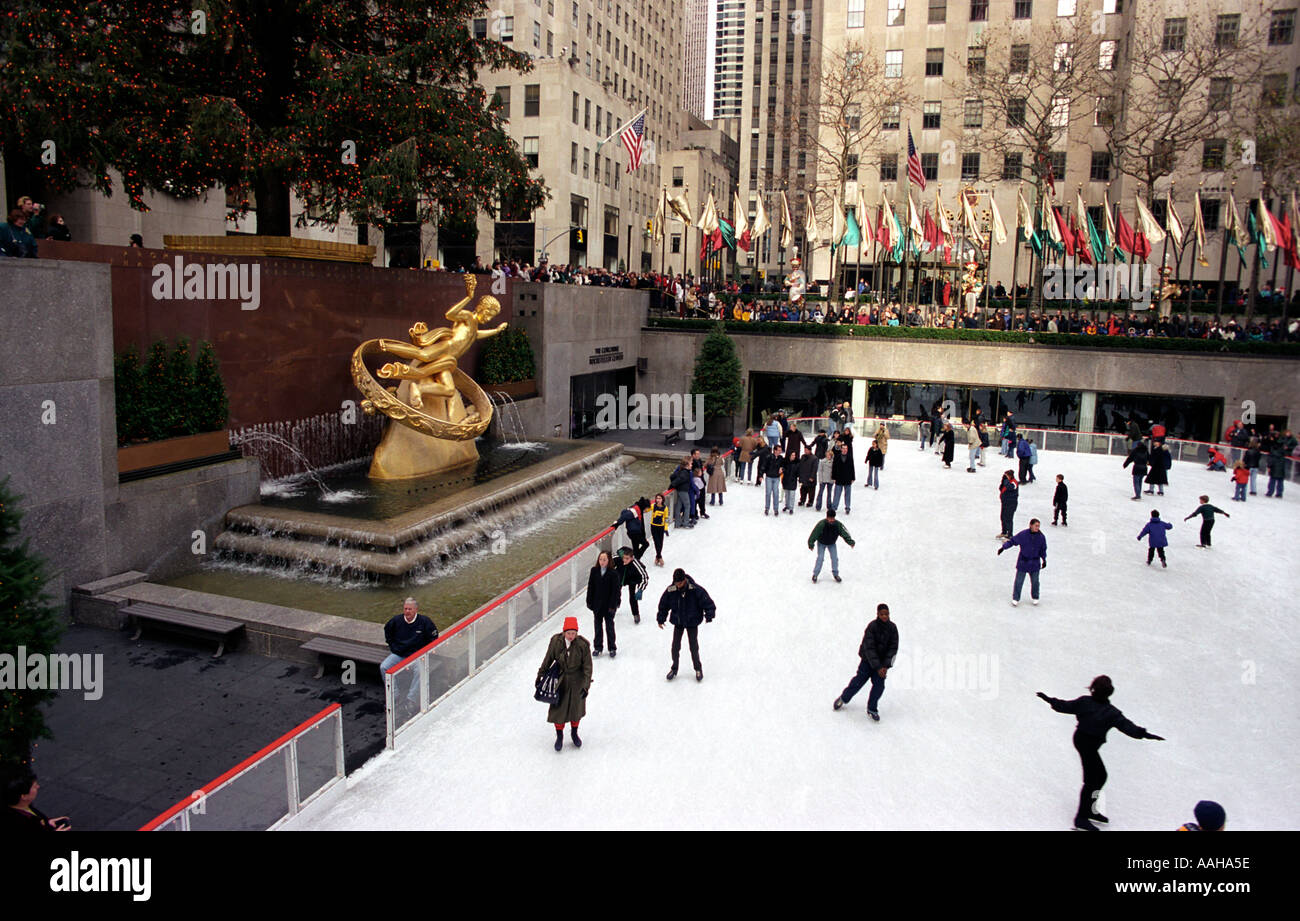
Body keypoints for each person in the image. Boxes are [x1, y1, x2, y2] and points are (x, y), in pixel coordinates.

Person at [1036, 675, 1164, 831]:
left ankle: (1089, 810)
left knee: (1100, 777)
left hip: (1081, 740)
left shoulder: (1086, 703)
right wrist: (1144, 734)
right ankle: (1081, 818)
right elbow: (1128, 727)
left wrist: (1050, 700)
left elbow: (1065, 706)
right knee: (1092, 780)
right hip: (1087, 745)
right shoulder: (1111, 712)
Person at [832, 603, 898, 721]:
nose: (884, 616)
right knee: (858, 682)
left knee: (879, 686)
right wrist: (878, 666)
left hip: (881, 666)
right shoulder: (872, 627)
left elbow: (893, 649)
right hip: (868, 662)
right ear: (877, 614)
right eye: (882, 614)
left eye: (886, 614)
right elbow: (869, 648)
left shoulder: (892, 628)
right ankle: (844, 698)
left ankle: (872, 708)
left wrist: (886, 666)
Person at [537, 616, 592, 751]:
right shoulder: (556, 642)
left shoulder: (582, 645)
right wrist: (540, 675)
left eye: (573, 633)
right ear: (564, 632)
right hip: (560, 681)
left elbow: (587, 667)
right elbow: (548, 659)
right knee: (558, 710)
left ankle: (574, 732)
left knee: (576, 709)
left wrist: (585, 686)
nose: (571, 636)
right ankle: (559, 736)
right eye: (568, 633)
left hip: (576, 681)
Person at [657, 567, 716, 681]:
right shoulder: (671, 590)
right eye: (676, 582)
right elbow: (664, 605)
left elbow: (708, 603)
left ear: (684, 580)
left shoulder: (695, 589)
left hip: (692, 622)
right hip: (678, 622)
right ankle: (674, 669)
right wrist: (661, 619)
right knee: (675, 647)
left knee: (693, 647)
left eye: (680, 582)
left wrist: (709, 615)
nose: (678, 585)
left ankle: (698, 668)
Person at [382, 598, 438, 707]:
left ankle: (411, 699)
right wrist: (393, 647)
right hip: (399, 655)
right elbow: (387, 632)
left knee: (420, 671)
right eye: (405, 609)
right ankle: (394, 695)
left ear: (416, 610)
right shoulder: (396, 621)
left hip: (417, 656)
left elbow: (434, 637)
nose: (407, 611)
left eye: (410, 609)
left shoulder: (425, 622)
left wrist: (426, 652)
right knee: (384, 667)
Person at [999, 519, 1047, 606]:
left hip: (1035, 562)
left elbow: (1043, 549)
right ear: (1030, 525)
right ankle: (1016, 598)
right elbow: (1013, 541)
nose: (1037, 528)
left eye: (1038, 526)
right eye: (1036, 525)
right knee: (1019, 581)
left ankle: (1035, 596)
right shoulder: (1023, 535)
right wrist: (1003, 548)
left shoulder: (1041, 537)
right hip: (1023, 562)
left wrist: (1044, 559)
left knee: (1035, 581)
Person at [1, 771, 71, 831]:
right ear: (24, 796)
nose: (38, 787)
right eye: (34, 786)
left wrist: (47, 822)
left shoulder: (23, 806)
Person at [586, 550, 622, 657]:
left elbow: (616, 591)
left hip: (608, 606)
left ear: (609, 560)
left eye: (604, 559)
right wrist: (589, 601)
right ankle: (598, 647)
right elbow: (591, 587)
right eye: (600, 559)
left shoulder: (613, 573)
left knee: (609, 626)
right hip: (597, 605)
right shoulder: (594, 571)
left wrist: (613, 606)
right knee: (597, 626)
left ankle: (612, 647)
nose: (602, 562)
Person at [808, 507, 855, 583]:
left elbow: (844, 533)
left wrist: (850, 542)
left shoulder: (838, 525)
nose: (831, 520)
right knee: (820, 558)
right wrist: (811, 544)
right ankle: (815, 574)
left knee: (834, 558)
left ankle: (836, 574)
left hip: (832, 543)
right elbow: (814, 534)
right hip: (821, 543)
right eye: (830, 518)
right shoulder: (821, 524)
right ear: (827, 518)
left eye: (832, 518)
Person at [616, 546, 649, 624]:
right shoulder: (618, 558)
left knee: (632, 597)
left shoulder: (636, 564)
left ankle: (636, 614)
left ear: (632, 558)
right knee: (616, 591)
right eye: (624, 558)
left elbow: (645, 577)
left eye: (627, 559)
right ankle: (616, 602)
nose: (624, 560)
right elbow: (609, 560)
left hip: (632, 579)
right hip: (620, 577)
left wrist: (640, 589)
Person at [830, 440, 855, 515]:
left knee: (847, 494)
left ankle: (847, 507)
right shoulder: (837, 457)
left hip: (847, 478)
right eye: (843, 448)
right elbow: (834, 468)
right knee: (837, 494)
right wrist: (833, 477)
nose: (844, 450)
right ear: (841, 449)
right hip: (839, 478)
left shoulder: (850, 457)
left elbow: (852, 468)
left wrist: (853, 478)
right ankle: (834, 507)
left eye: (846, 449)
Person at [760, 441, 784, 515]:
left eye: (780, 450)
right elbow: (763, 466)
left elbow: (784, 466)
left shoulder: (781, 458)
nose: (780, 452)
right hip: (769, 477)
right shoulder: (769, 457)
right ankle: (767, 508)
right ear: (775, 450)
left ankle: (776, 509)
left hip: (776, 477)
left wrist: (782, 469)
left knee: (776, 493)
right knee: (768, 493)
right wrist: (760, 475)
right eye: (779, 450)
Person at [669, 457, 691, 528]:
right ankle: (686, 523)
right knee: (687, 505)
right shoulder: (684, 473)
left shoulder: (682, 471)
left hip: (681, 490)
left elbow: (673, 476)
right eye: (691, 463)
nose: (691, 465)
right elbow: (678, 480)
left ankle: (678, 523)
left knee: (679, 505)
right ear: (687, 465)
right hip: (683, 491)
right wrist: (672, 485)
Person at [649, 493, 670, 566]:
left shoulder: (665, 508)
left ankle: (657, 556)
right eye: (657, 498)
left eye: (659, 498)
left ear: (662, 499)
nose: (658, 500)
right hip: (653, 526)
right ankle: (659, 557)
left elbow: (666, 519)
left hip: (661, 527)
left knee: (660, 543)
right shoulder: (653, 506)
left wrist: (666, 528)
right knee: (656, 542)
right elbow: (646, 509)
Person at [998, 470, 1019, 539]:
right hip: (1005, 503)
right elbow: (1001, 488)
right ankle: (1004, 532)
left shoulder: (1014, 482)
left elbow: (1010, 487)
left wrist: (1006, 481)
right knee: (1003, 517)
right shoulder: (1006, 481)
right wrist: (1003, 481)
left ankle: (1010, 534)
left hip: (1011, 504)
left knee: (1009, 519)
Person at [780, 447, 800, 513]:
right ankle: (787, 505)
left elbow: (798, 472)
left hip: (793, 480)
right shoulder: (785, 462)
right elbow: (783, 469)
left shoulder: (797, 463)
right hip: (786, 480)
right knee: (787, 494)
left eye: (794, 455)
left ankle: (791, 507)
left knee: (792, 495)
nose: (793, 456)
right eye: (792, 455)